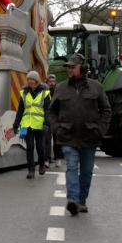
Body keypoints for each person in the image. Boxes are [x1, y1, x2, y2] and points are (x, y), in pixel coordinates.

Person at [48, 54, 111, 216]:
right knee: (72, 167)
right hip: (68, 136)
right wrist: (57, 129)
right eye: (68, 67)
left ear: (82, 68)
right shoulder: (60, 88)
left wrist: (100, 129)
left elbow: (106, 110)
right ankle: (73, 200)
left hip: (90, 137)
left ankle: (82, 201)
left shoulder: (96, 87)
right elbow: (51, 112)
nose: (69, 69)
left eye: (72, 67)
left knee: (86, 171)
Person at [13, 70, 50, 179]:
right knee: (29, 147)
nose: (30, 82)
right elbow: (20, 110)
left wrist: (46, 124)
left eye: (32, 80)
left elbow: (48, 110)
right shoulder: (24, 93)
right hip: (27, 124)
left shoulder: (45, 93)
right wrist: (16, 124)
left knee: (40, 147)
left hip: (39, 125)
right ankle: (31, 170)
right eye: (29, 79)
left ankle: (42, 164)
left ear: (37, 81)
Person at [46, 74, 64, 167]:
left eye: (53, 81)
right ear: (47, 82)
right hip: (47, 117)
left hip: (57, 118)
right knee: (47, 139)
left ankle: (58, 158)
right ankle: (47, 159)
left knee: (57, 139)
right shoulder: (45, 92)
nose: (52, 83)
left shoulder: (58, 91)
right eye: (50, 81)